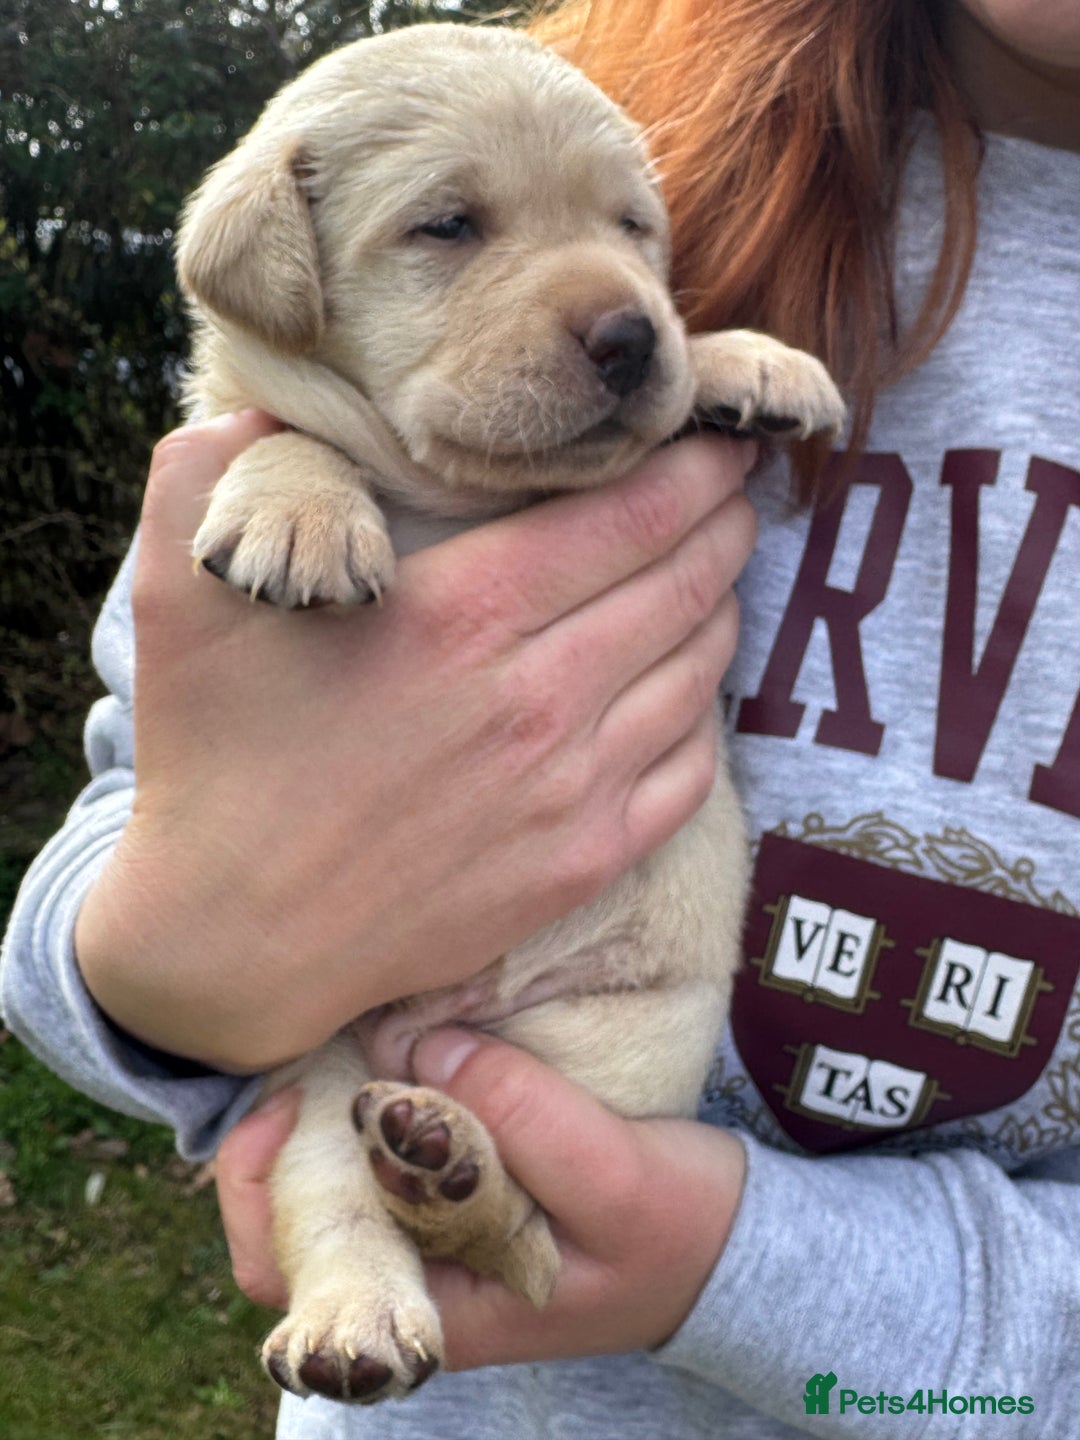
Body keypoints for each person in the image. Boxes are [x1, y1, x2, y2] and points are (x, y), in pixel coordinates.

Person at [3, 0, 1079, 1435]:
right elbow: (118, 842)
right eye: (452, 228)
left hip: (656, 1076)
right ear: (286, 271)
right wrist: (162, 961)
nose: (618, 307)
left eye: (636, 237)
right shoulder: (666, 116)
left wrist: (728, 1264)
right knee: (345, 1136)